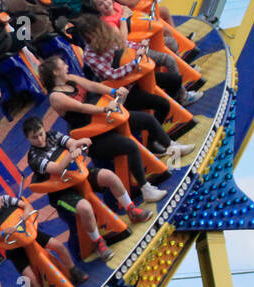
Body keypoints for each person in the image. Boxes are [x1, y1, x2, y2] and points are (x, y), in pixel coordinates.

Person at [38, 55, 188, 197]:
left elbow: (92, 85)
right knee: (130, 145)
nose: (66, 66)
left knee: (147, 119)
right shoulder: (55, 97)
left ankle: (171, 146)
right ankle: (145, 189)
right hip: (93, 135)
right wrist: (104, 109)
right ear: (55, 72)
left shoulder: (70, 79)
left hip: (106, 120)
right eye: (62, 65)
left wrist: (113, 91)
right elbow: (81, 107)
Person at [0, 182, 88, 287]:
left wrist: (26, 214)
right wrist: (6, 232)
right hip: (14, 247)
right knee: (31, 279)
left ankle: (73, 270)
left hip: (28, 233)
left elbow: (26, 205)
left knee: (59, 246)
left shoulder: (5, 199)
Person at [22, 117, 121, 258]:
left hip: (78, 177)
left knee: (109, 176)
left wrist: (80, 142)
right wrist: (70, 154)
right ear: (28, 138)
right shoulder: (34, 158)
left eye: (41, 134)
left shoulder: (53, 135)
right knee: (85, 208)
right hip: (61, 193)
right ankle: (98, 243)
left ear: (44, 129)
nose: (40, 139)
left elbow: (72, 143)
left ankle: (131, 208)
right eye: (34, 137)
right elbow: (57, 168)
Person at [88, 0, 201, 104]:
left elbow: (129, 11)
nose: (106, 4)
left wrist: (126, 17)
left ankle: (182, 72)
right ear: (97, 9)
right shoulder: (107, 23)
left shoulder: (116, 6)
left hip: (142, 40)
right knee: (169, 59)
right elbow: (122, 39)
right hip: (132, 51)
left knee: (170, 41)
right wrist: (123, 18)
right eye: (101, 4)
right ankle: (183, 96)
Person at [73, 13, 189, 124]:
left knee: (175, 80)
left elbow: (125, 44)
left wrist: (141, 46)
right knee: (162, 103)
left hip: (137, 76)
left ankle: (173, 108)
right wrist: (134, 62)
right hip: (124, 88)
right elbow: (113, 75)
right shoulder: (89, 55)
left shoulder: (109, 35)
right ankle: (153, 138)